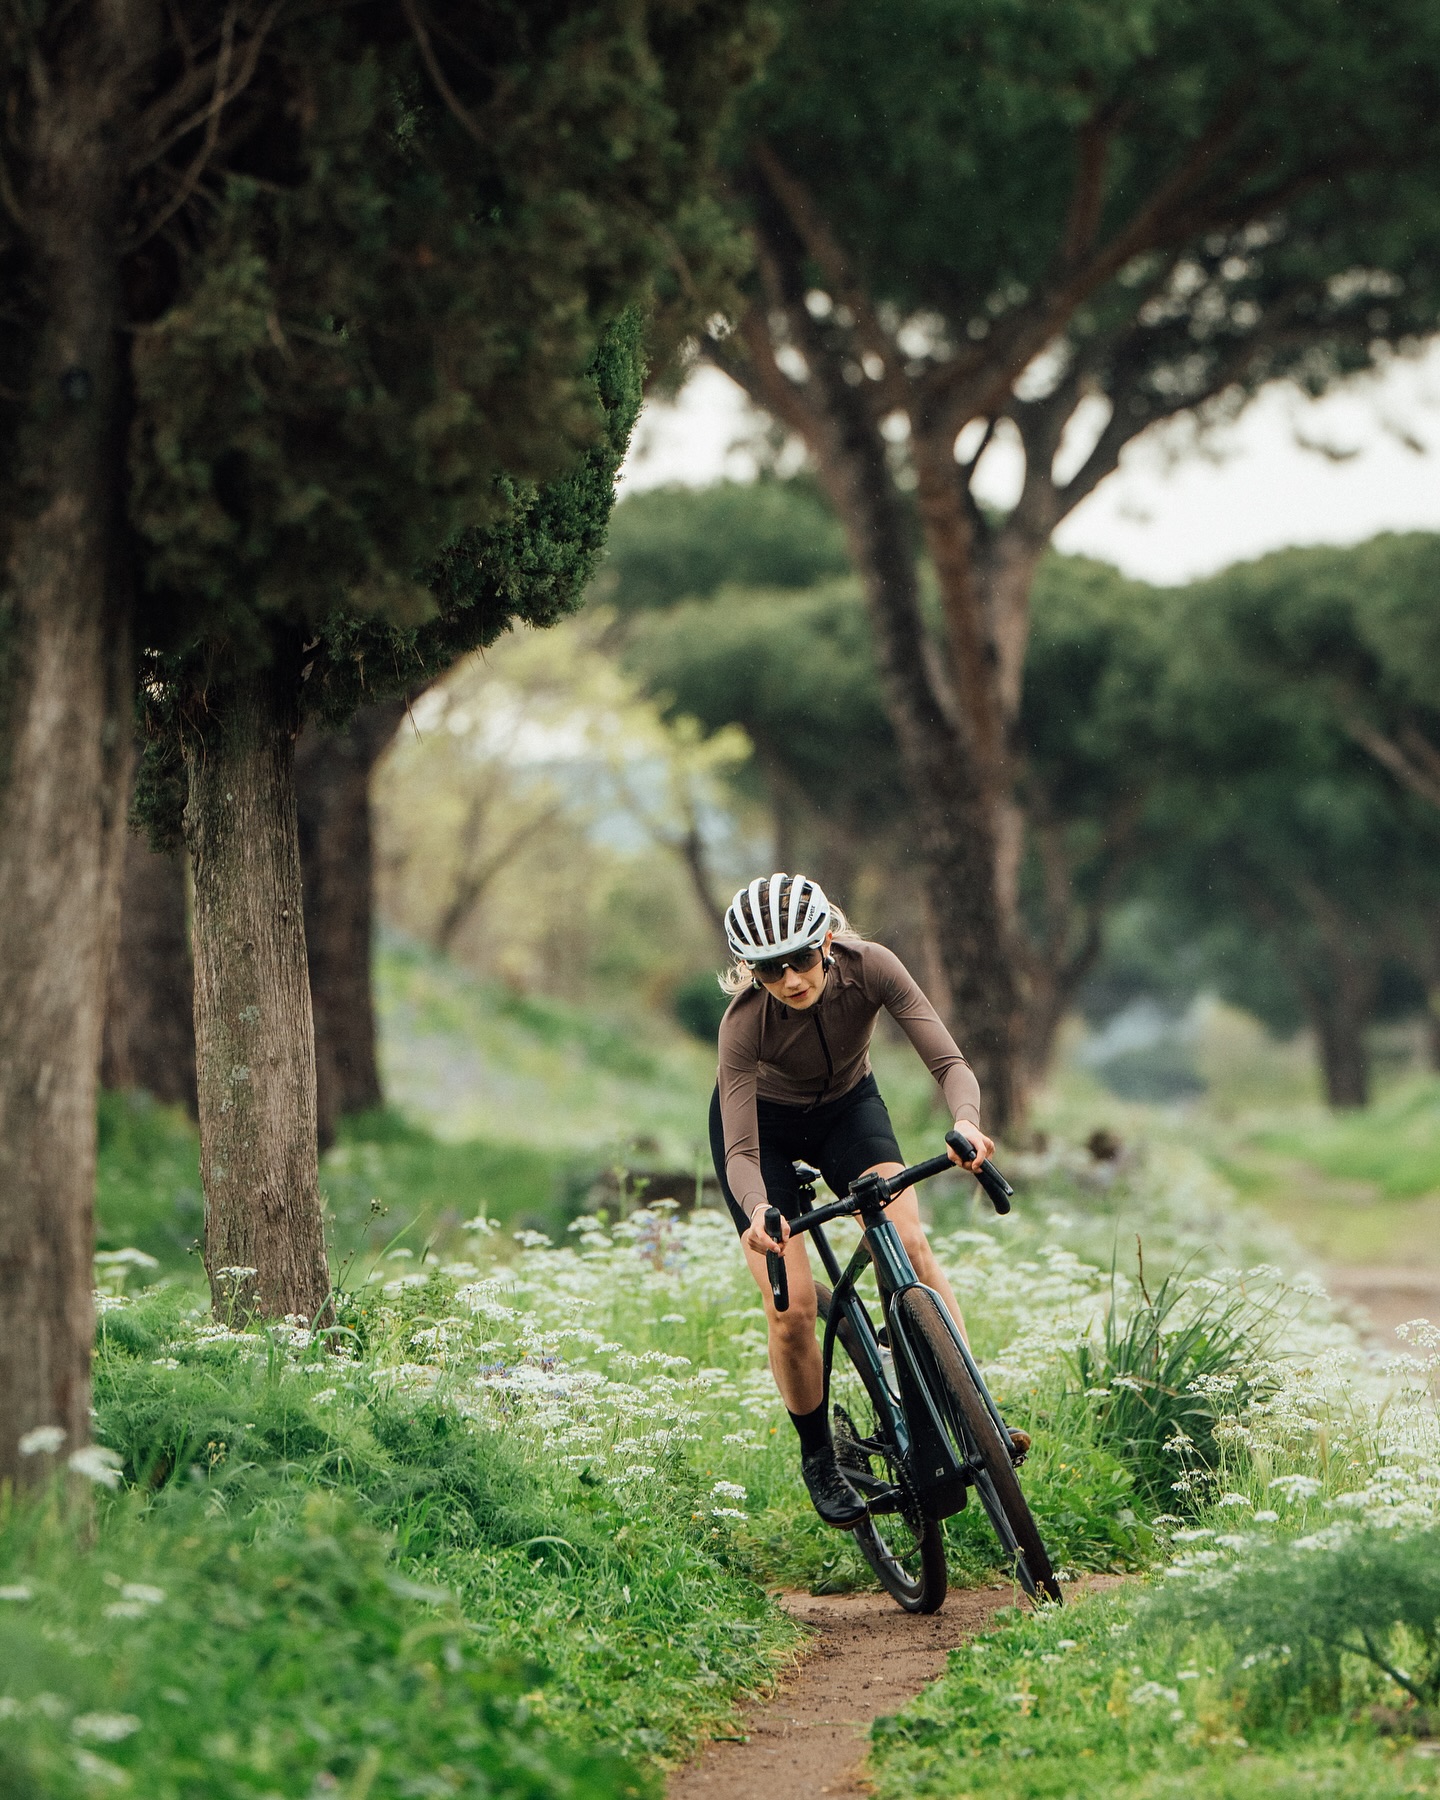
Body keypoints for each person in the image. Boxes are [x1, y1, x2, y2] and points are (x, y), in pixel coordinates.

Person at [709, 871, 1014, 1528]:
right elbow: (737, 1154)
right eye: (768, 970)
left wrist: (965, 1121)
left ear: (825, 940)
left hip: (848, 1110)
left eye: (800, 960)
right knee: (789, 1310)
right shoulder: (742, 1026)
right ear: (750, 971)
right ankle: (819, 1454)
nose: (791, 980)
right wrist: (763, 1211)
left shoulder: (870, 967)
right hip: (761, 1134)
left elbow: (950, 1064)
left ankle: (971, 1404)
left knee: (908, 1242)